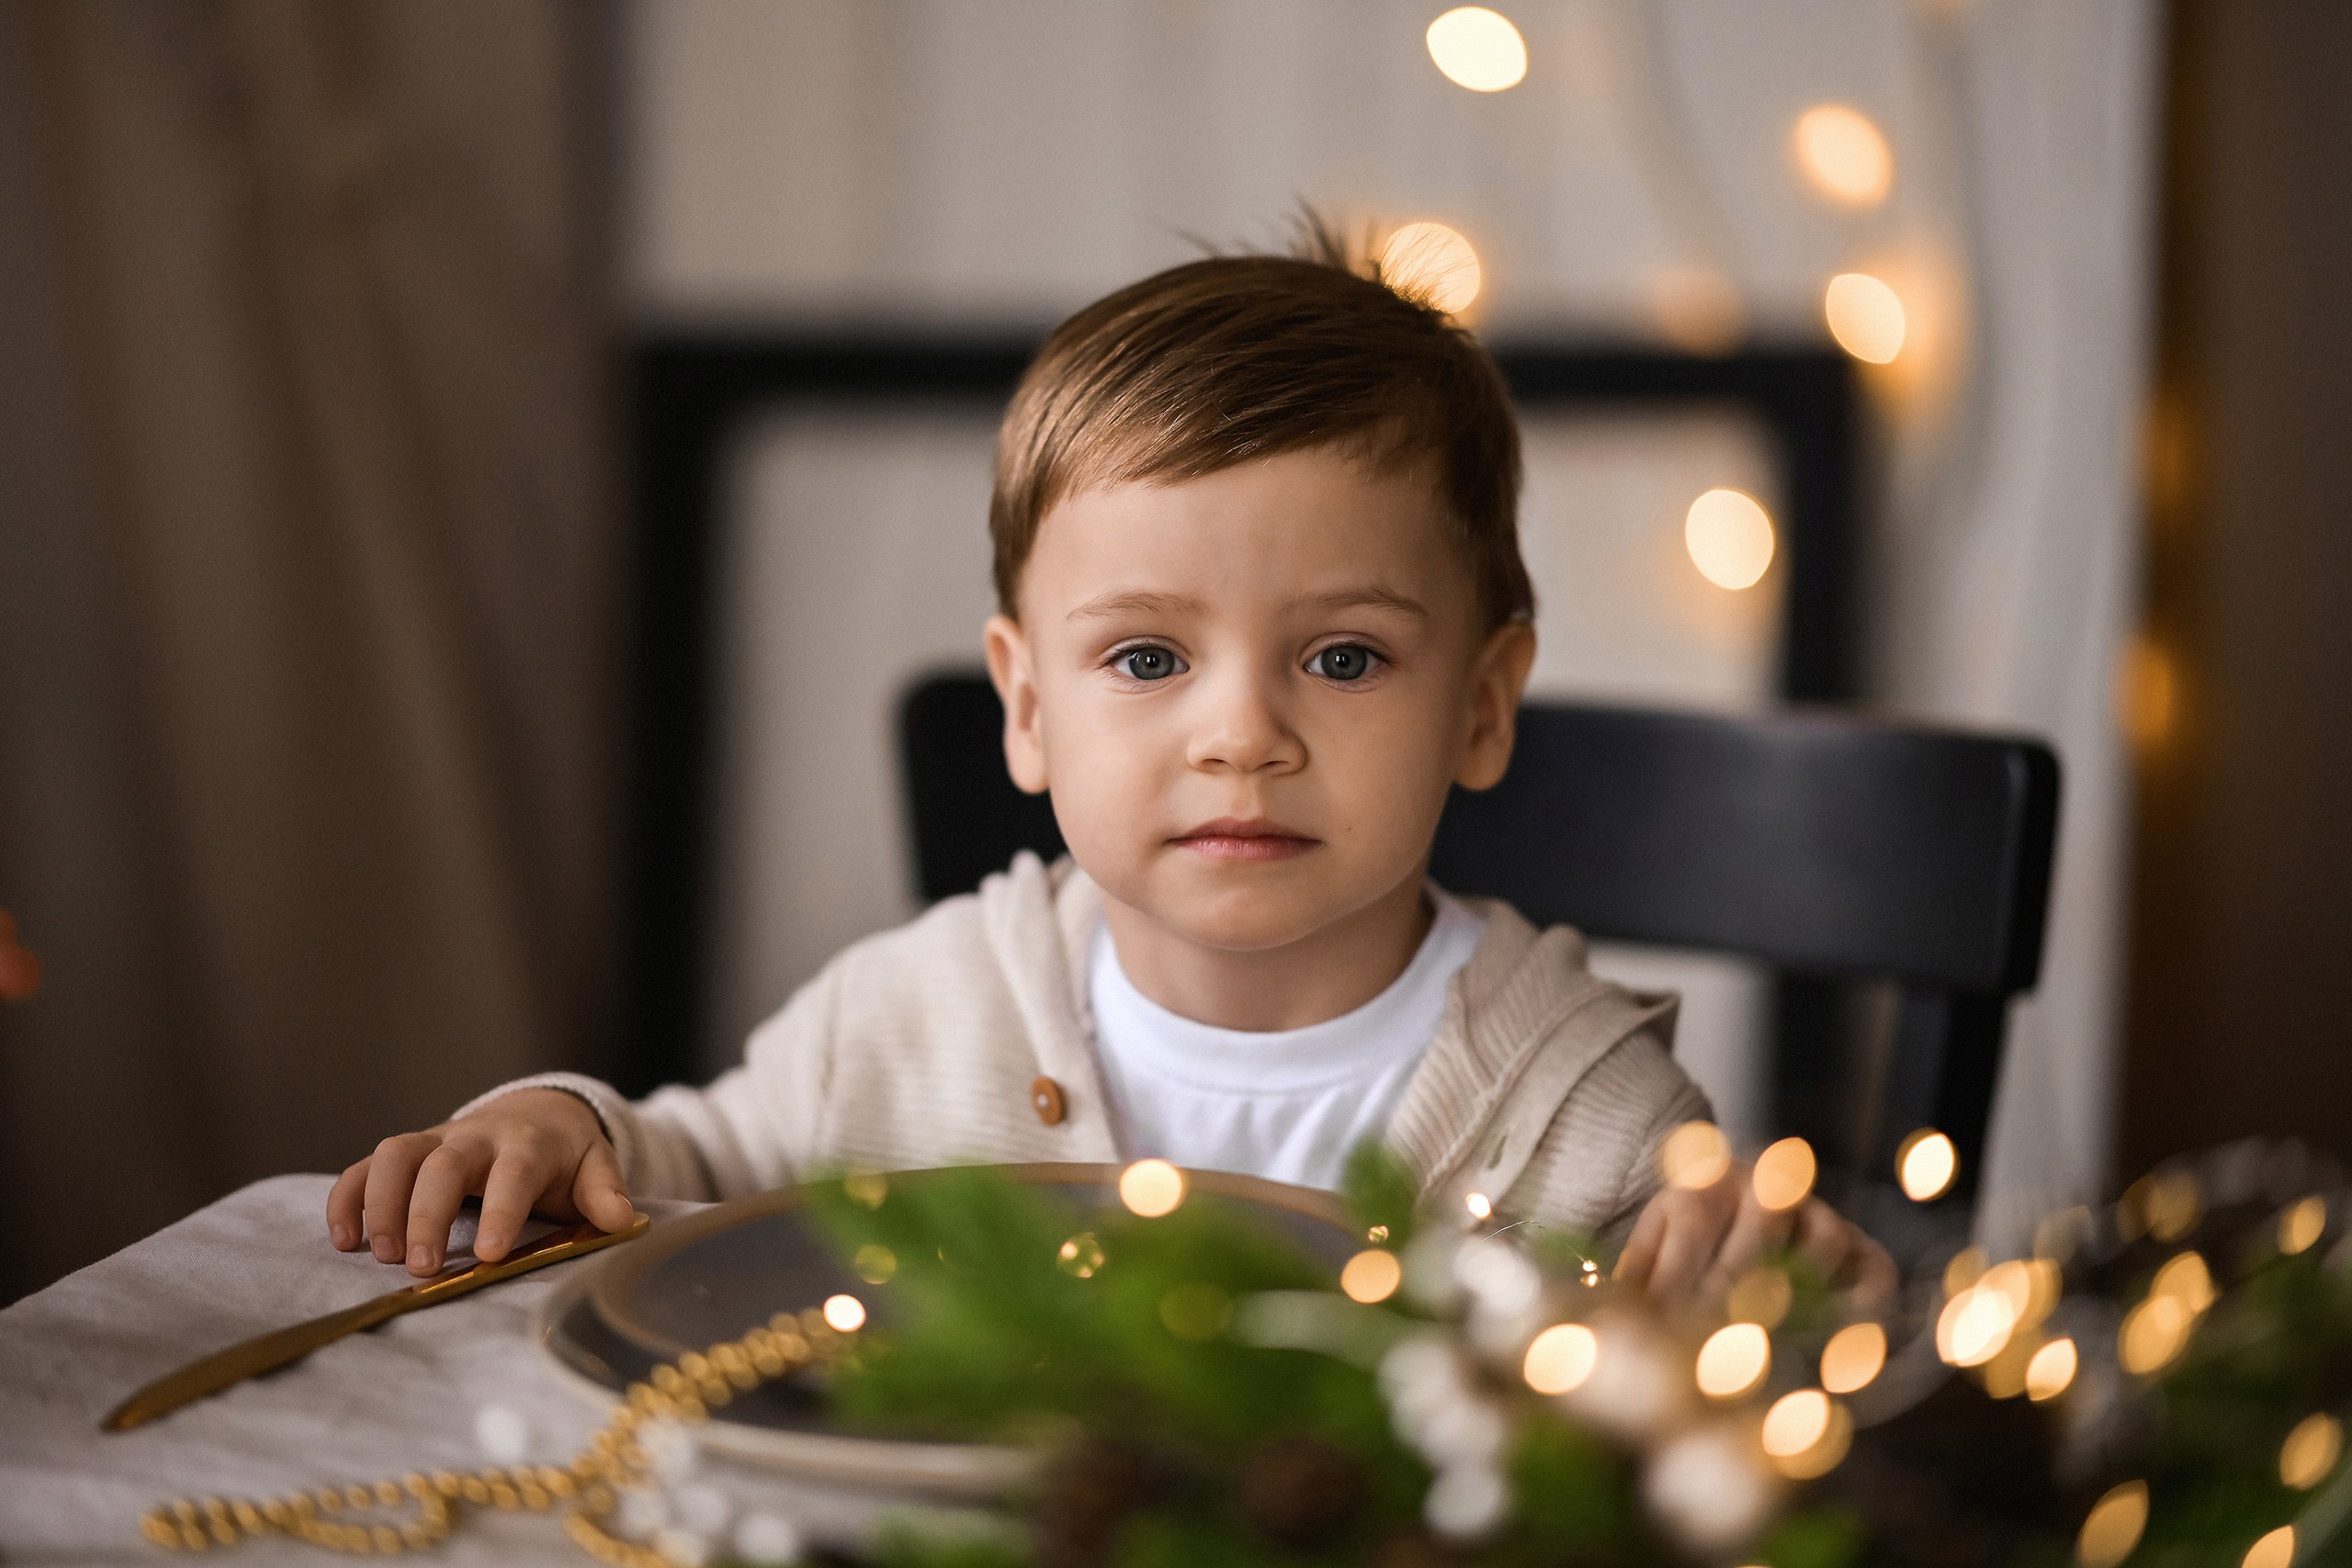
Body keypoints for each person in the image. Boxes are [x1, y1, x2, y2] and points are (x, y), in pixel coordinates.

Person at [329, 232, 1894, 1307]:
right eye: (1147, 659)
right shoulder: (921, 1016)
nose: (1240, 733)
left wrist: (1775, 1294)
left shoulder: (1584, 1116)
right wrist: (556, 1125)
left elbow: (1724, 1364)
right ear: (1026, 707)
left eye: (1342, 657)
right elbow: (689, 1173)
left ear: (1484, 707)